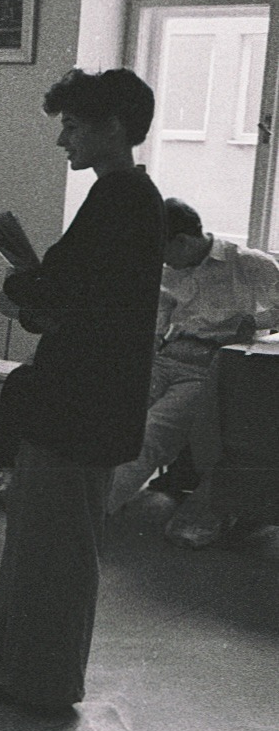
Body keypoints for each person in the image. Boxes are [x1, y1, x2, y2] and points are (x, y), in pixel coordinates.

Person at [0, 68, 164, 716]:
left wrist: (24, 289)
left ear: (113, 126)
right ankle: (4, 627)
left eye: (71, 126)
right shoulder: (119, 195)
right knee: (34, 526)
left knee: (64, 547)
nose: (62, 141)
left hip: (85, 401)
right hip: (74, 392)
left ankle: (50, 683)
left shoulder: (122, 198)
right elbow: (80, 290)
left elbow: (72, 295)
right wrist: (38, 289)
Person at [104, 197, 278, 520]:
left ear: (182, 241)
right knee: (110, 414)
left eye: (163, 251)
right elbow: (160, 314)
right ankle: (77, 497)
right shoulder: (172, 271)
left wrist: (257, 322)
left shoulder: (248, 263)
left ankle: (91, 511)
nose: (162, 262)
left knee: (151, 433)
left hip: (205, 369)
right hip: (164, 357)